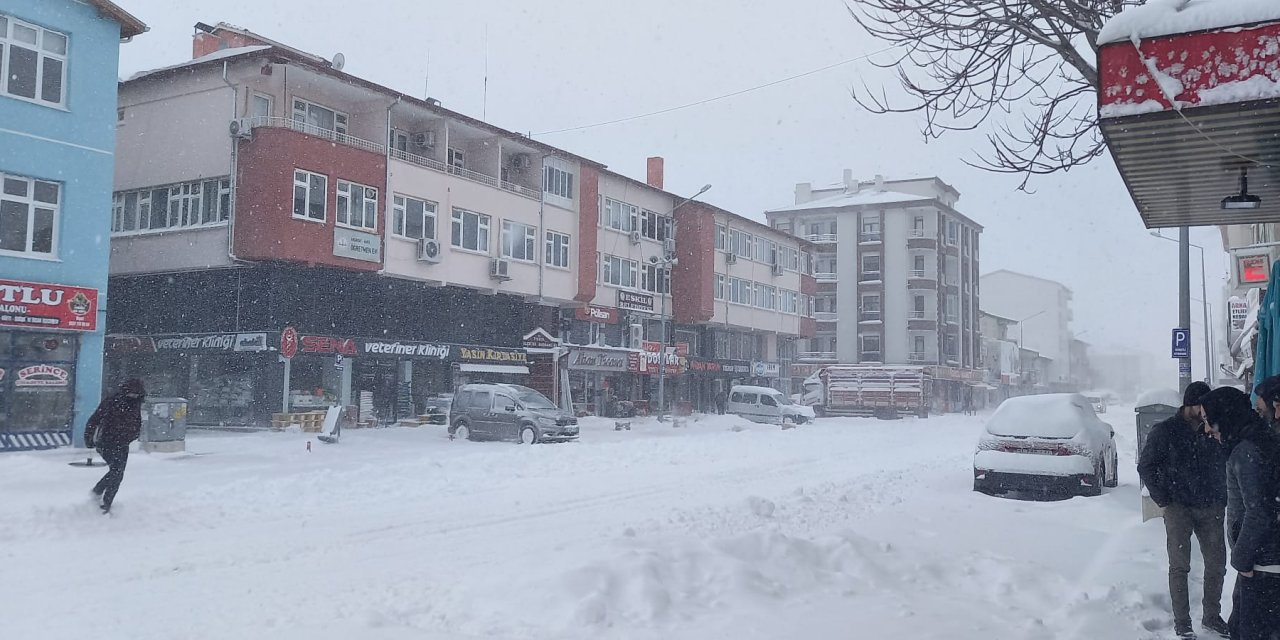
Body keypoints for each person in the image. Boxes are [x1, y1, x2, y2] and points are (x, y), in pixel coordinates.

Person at [1137, 381, 1229, 639]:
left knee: (1217, 564)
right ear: (1191, 404)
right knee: (1179, 566)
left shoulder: (1213, 429)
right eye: (1203, 406)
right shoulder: (1165, 431)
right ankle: (1182, 622)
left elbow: (1226, 460)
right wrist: (1164, 498)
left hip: (1211, 506)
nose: (1207, 411)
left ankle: (1212, 616)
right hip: (1178, 507)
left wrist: (1221, 495)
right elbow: (1146, 466)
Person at [1199, 386, 1280, 640]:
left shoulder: (1245, 451)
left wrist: (1242, 559)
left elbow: (1259, 512)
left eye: (1207, 420)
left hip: (1263, 566)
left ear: (1223, 417)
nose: (1206, 430)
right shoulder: (1261, 439)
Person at [84, 379, 146, 514]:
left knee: (118, 473)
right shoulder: (112, 402)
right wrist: (88, 438)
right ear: (126, 392)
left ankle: (104, 500)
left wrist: (133, 435)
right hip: (106, 442)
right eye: (131, 394)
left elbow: (137, 422)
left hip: (123, 444)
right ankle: (101, 499)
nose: (134, 397)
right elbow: (95, 419)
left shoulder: (136, 404)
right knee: (116, 472)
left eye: (136, 395)